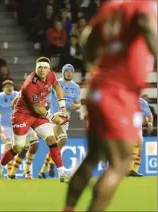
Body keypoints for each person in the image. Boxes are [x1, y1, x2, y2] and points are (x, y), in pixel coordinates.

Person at [64, 0, 157, 211]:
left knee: (93, 157)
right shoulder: (143, 4)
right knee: (121, 163)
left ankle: (67, 208)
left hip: (98, 86)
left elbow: (88, 39)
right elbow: (145, 22)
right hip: (119, 91)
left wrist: (93, 66)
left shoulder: (110, 8)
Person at [0, 57, 70, 183]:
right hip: (22, 114)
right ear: (35, 68)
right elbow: (36, 107)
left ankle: (62, 173)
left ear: (49, 69)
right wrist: (52, 117)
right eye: (39, 67)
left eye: (45, 67)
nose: (42, 70)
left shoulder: (51, 75)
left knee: (51, 140)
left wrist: (63, 107)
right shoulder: (30, 84)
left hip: (38, 115)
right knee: (18, 147)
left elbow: (57, 87)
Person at [39, 64, 81, 179]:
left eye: (70, 71)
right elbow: (46, 97)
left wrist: (76, 106)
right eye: (66, 71)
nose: (69, 73)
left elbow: (79, 103)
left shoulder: (76, 87)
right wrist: (47, 103)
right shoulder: (56, 84)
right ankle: (51, 165)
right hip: (54, 117)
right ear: (63, 72)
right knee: (62, 139)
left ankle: (44, 169)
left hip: (65, 119)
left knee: (58, 144)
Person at [0, 80, 38, 179]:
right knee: (9, 147)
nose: (9, 88)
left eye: (11, 86)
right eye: (7, 86)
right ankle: (9, 173)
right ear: (3, 88)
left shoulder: (18, 94)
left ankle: (19, 171)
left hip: (21, 123)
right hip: (6, 126)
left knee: (33, 144)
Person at [128, 97, 154, 177]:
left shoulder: (142, 102)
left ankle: (134, 170)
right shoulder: (125, 99)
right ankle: (129, 169)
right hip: (126, 125)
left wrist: (150, 123)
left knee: (140, 148)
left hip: (137, 126)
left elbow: (149, 115)